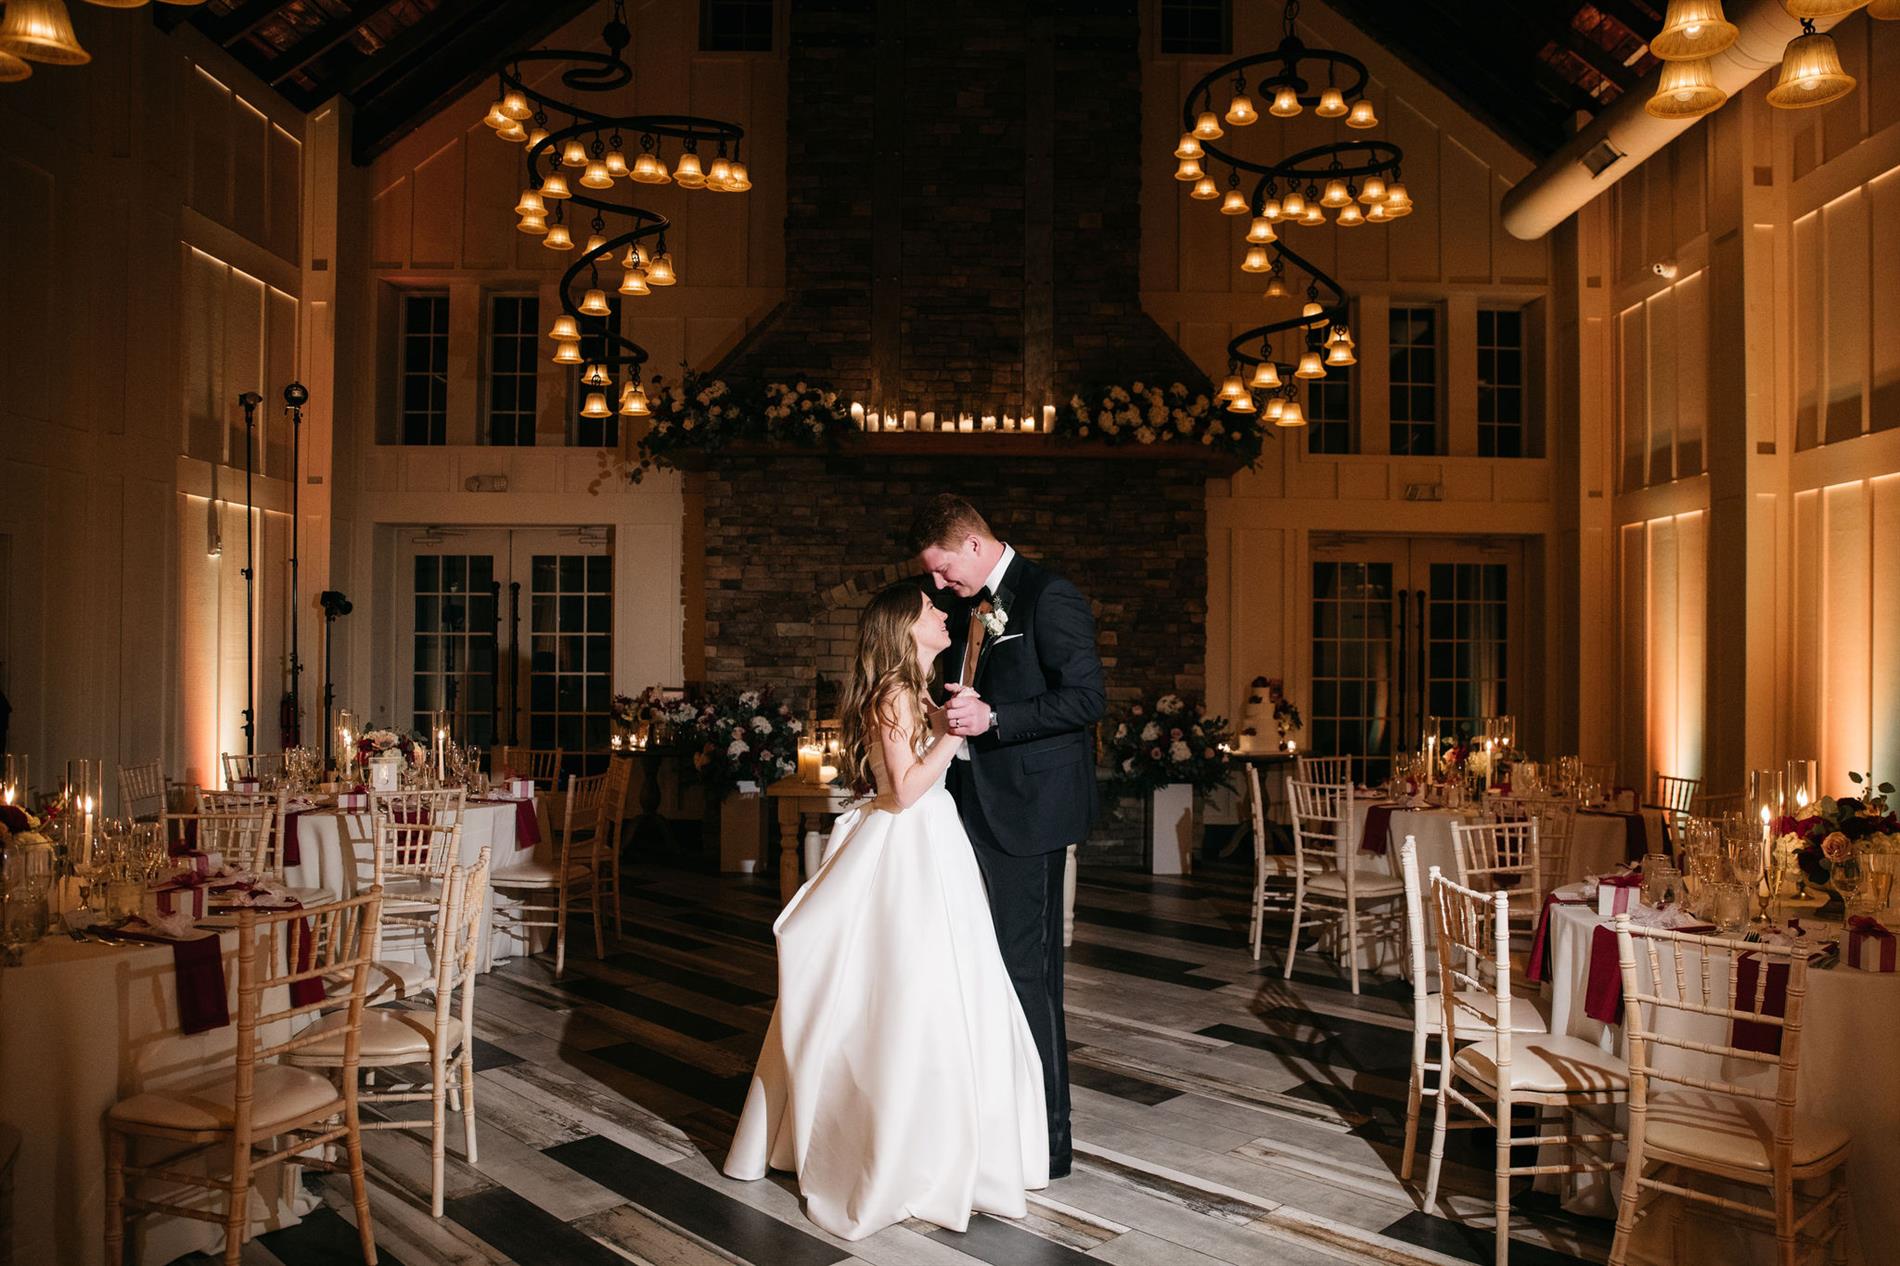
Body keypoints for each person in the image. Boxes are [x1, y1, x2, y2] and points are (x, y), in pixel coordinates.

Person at [723, 580, 1047, 1241]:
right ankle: (897, 1151)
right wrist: (951, 734)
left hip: (933, 844)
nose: (942, 614)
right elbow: (902, 790)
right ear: (903, 628)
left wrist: (949, 719)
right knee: (906, 991)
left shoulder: (915, 690)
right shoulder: (894, 693)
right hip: (908, 846)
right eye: (929, 609)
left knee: (945, 986)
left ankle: (942, 1144)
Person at [910, 494, 1105, 1179]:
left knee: (1028, 973)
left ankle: (1047, 1144)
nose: (938, 583)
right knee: (977, 966)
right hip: (963, 806)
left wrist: (996, 718)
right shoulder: (961, 603)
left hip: (1029, 811)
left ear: (972, 544)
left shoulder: (1049, 596)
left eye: (943, 569)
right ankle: (991, 1122)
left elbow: (1087, 699)